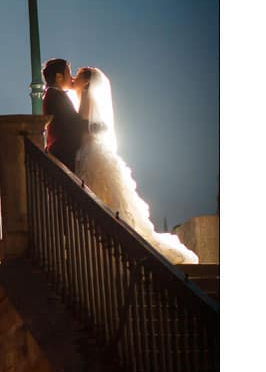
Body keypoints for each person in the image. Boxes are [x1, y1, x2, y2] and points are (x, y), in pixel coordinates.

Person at [70, 66, 199, 266]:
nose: (73, 79)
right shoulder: (88, 96)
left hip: (90, 150)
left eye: (77, 77)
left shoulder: (86, 96)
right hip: (95, 149)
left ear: (86, 82)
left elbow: (84, 124)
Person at [42, 58, 88, 173]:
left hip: (61, 152)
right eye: (69, 73)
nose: (72, 78)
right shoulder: (56, 96)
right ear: (59, 77)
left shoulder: (53, 95)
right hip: (64, 154)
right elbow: (75, 123)